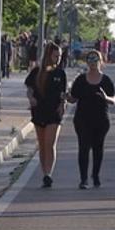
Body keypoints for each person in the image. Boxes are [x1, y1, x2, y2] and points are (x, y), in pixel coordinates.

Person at [67, 50, 115, 189]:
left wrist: (106, 98)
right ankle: (83, 179)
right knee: (83, 148)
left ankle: (95, 175)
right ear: (87, 62)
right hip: (82, 119)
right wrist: (65, 97)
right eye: (90, 60)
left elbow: (113, 99)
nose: (93, 63)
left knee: (98, 148)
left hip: (101, 120)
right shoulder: (81, 80)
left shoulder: (106, 80)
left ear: (101, 62)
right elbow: (73, 98)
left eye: (96, 60)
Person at [25, 42, 68, 188]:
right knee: (42, 144)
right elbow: (29, 88)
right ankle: (44, 173)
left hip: (54, 112)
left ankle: (49, 173)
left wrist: (63, 104)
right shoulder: (37, 72)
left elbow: (63, 93)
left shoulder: (60, 73)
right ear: (49, 55)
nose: (58, 58)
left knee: (50, 144)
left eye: (60, 56)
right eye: (56, 56)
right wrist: (31, 99)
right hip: (39, 110)